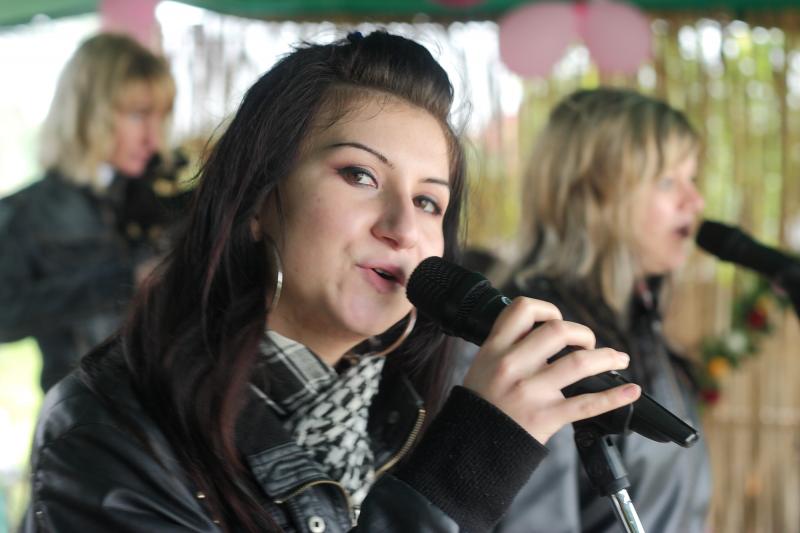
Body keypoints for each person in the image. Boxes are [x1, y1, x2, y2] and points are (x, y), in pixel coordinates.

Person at [22, 32, 641, 532]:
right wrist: (457, 478)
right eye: (360, 175)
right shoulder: (107, 433)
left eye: (429, 202)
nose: (403, 228)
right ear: (258, 201)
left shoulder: (405, 417)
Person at [493, 88, 712, 532]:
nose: (696, 201)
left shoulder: (641, 324)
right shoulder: (539, 336)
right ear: (593, 194)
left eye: (692, 178)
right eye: (668, 182)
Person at [0, 33, 181, 392]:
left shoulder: (159, 199)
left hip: (167, 408)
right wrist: (123, 281)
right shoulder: (25, 214)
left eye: (159, 117)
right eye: (138, 115)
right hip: (83, 413)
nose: (153, 138)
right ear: (88, 114)